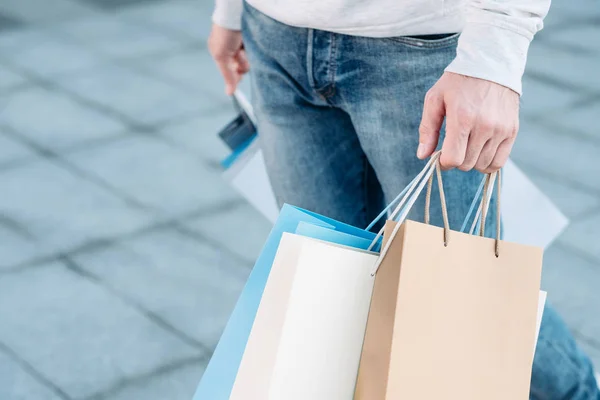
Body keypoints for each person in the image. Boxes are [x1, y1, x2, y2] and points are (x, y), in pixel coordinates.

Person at [208, 0, 600, 398]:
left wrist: (497, 51)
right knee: (323, 298)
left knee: (464, 285)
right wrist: (228, 11)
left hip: (417, 47)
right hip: (273, 34)